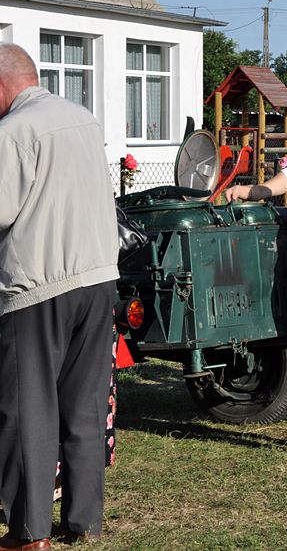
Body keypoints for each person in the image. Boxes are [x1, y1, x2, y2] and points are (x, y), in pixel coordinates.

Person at [0, 43, 119, 549]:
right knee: (85, 406)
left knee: (26, 409)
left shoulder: (13, 131)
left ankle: (29, 532)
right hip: (97, 278)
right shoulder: (82, 119)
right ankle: (83, 519)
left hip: (38, 284)